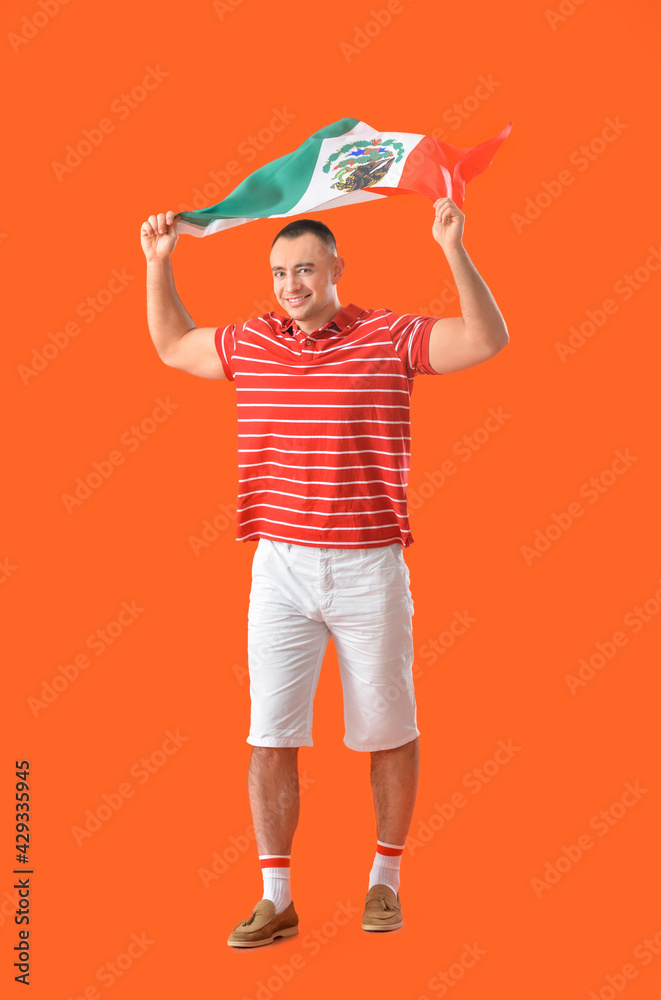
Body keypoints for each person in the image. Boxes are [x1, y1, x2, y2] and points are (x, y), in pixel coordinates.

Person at [141, 199, 509, 947]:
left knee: (388, 728)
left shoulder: (388, 335)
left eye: (305, 268)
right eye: (279, 272)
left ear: (337, 267)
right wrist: (158, 263)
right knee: (269, 733)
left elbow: (485, 338)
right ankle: (276, 898)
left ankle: (384, 881)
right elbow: (175, 344)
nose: (291, 285)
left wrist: (451, 246)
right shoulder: (252, 342)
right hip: (279, 567)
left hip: (370, 565)